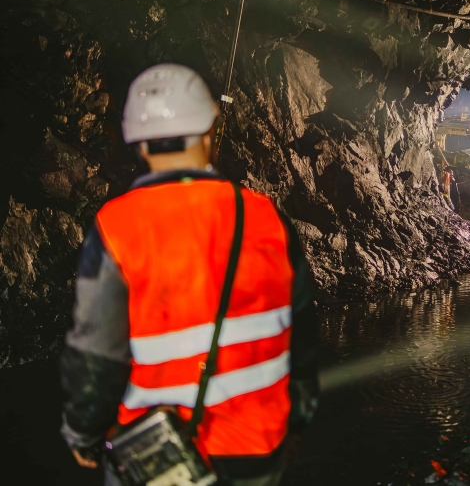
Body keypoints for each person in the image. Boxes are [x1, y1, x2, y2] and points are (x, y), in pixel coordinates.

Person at [59, 64, 319, 486]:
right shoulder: (265, 216)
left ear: (138, 143)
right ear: (208, 131)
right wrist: (299, 421)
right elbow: (303, 337)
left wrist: (83, 433)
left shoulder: (116, 225)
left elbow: (95, 353)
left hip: (161, 454)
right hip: (259, 446)